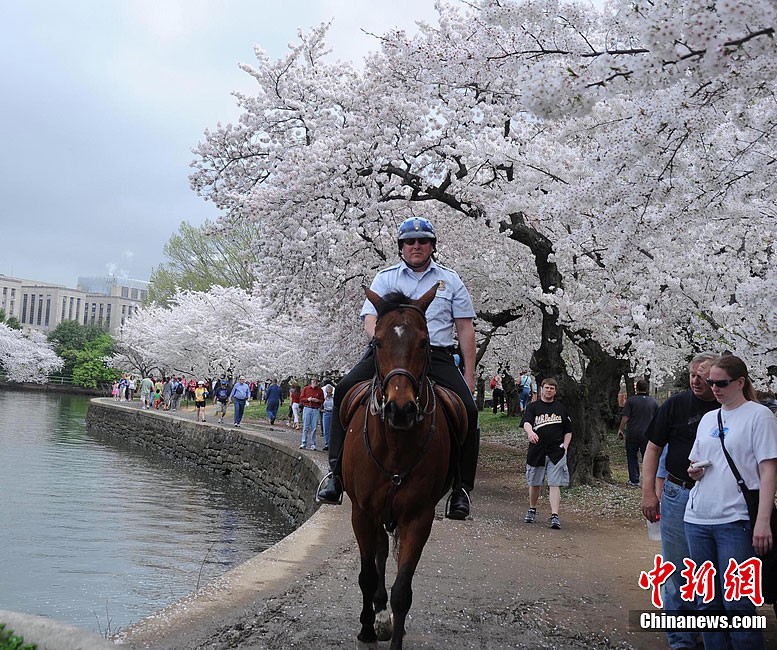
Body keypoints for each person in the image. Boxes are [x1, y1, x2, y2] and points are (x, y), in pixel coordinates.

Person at [316, 216, 480, 520]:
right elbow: (369, 319)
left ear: (432, 246)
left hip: (436, 355)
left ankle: (461, 489)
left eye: (422, 241)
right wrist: (386, 343)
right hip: (388, 355)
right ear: (401, 247)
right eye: (410, 242)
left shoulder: (450, 280)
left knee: (468, 409)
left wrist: (468, 374)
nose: (416, 246)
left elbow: (465, 327)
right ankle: (336, 475)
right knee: (342, 391)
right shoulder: (386, 278)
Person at [684, 355, 777, 650]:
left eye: (721, 383)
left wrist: (762, 521)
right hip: (698, 517)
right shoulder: (710, 418)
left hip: (736, 519)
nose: (714, 388)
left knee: (737, 603)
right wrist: (694, 471)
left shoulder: (759, 416)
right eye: (711, 382)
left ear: (740, 382)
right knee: (706, 603)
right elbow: (695, 460)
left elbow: (768, 469)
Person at [640, 352, 719, 650]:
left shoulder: (728, 408)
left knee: (710, 567)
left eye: (703, 376)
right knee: (676, 569)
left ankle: (707, 633)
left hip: (717, 498)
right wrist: (649, 492)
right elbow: (653, 448)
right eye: (692, 375)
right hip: (677, 493)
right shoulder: (676, 404)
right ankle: (681, 640)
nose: (696, 381)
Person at [522, 377, 573, 530]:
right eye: (546, 387)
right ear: (541, 389)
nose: (549, 390)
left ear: (555, 391)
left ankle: (555, 515)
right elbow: (526, 422)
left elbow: (568, 431)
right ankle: (532, 509)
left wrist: (565, 447)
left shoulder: (561, 409)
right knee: (535, 482)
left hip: (556, 452)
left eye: (552, 388)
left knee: (554, 484)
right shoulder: (533, 407)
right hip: (537, 451)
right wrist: (530, 432)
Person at [617, 378, 659, 486]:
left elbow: (625, 417)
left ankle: (634, 479)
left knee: (632, 456)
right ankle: (649, 480)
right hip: (648, 434)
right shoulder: (653, 402)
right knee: (648, 457)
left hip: (633, 432)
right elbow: (658, 419)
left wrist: (621, 429)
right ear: (647, 388)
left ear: (637, 388)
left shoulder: (631, 401)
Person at [299, 377, 324, 450]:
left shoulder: (320, 390)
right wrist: (308, 399)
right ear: (311, 381)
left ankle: (313, 444)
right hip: (307, 408)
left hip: (315, 409)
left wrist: (318, 400)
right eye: (314, 381)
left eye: (316, 381)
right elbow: (301, 398)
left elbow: (322, 400)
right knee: (305, 427)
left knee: (314, 427)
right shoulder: (306, 389)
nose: (315, 382)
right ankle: (304, 443)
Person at [321, 384, 334, 451]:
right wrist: (321, 409)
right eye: (327, 392)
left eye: (330, 392)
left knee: (332, 429)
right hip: (326, 413)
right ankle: (327, 444)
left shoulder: (334, 398)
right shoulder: (324, 398)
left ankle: (332, 444)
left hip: (332, 412)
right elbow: (320, 404)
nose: (328, 393)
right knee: (326, 429)